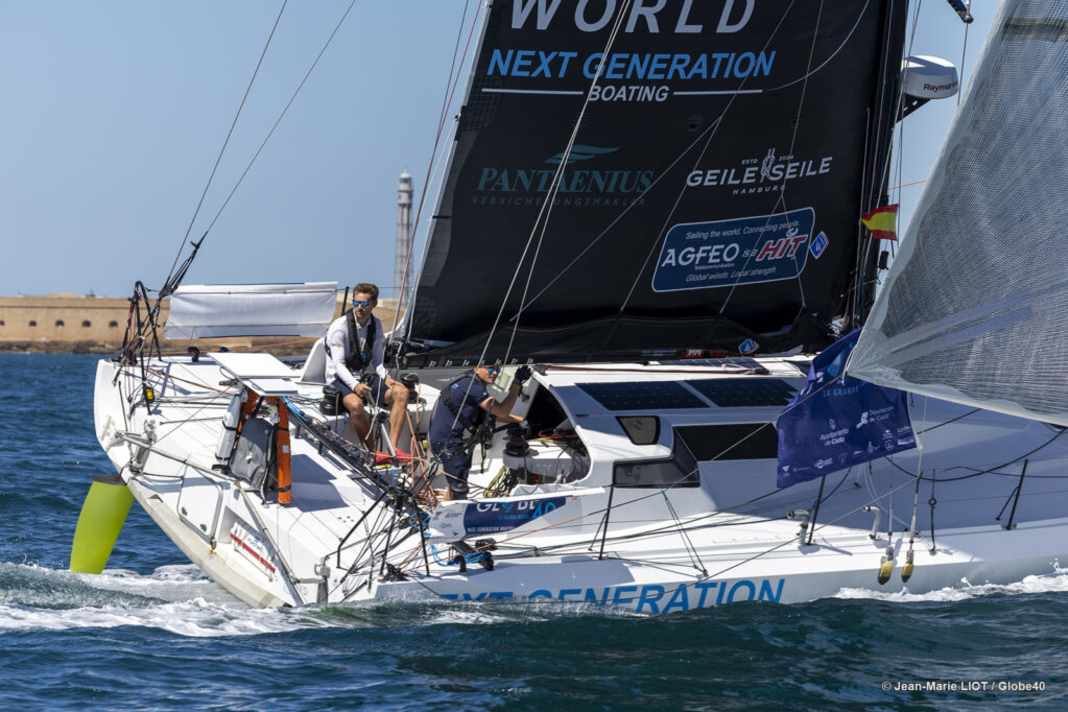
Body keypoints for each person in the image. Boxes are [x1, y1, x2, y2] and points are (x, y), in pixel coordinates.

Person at [324, 283, 410, 454]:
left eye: (364, 304)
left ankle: (392, 448)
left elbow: (378, 361)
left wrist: (386, 377)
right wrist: (355, 386)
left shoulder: (376, 325)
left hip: (363, 376)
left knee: (402, 392)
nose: (359, 308)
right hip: (339, 378)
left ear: (373, 305)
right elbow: (339, 365)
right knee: (355, 405)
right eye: (356, 303)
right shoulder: (339, 328)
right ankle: (374, 453)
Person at [428, 364, 532, 500]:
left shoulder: (467, 380)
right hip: (448, 442)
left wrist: (520, 420)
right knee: (459, 489)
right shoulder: (473, 387)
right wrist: (516, 384)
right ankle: (450, 516)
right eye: (490, 368)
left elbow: (492, 414)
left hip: (443, 438)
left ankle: (448, 501)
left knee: (458, 481)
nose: (494, 372)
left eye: (498, 369)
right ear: (477, 368)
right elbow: (501, 411)